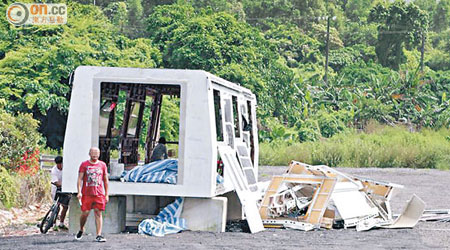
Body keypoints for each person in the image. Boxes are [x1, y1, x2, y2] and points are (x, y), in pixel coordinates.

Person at [75, 147, 109, 242]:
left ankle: (98, 234)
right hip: (87, 193)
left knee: (98, 213)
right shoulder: (84, 164)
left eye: (96, 153)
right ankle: (81, 228)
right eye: (93, 153)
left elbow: (105, 180)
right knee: (85, 212)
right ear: (89, 154)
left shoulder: (102, 165)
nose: (95, 155)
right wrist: (79, 191)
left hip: (99, 193)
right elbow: (80, 179)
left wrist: (106, 194)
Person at [50, 156, 71, 230]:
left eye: (61, 163)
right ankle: (53, 223)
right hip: (56, 189)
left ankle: (61, 223)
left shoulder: (66, 168)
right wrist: (65, 184)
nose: (60, 165)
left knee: (65, 206)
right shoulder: (54, 170)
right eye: (58, 164)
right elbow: (56, 182)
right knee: (57, 206)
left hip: (65, 189)